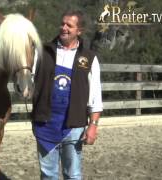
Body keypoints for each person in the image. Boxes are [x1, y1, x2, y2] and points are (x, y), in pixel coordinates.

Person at [31, 10, 103, 180]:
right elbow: (27, 80)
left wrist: (93, 125)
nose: (64, 28)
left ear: (79, 31)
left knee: (73, 174)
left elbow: (95, 95)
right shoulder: (42, 51)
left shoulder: (89, 58)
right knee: (48, 175)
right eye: (62, 24)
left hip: (73, 126)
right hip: (45, 124)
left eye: (69, 25)